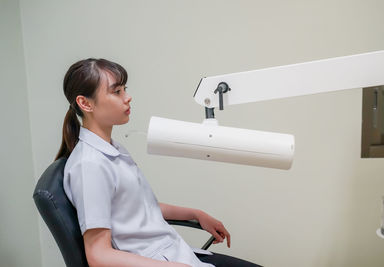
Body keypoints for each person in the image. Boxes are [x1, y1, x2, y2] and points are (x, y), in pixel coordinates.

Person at [55, 58, 262, 267]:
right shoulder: (89, 166)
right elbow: (98, 256)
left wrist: (195, 214)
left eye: (124, 89)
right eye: (117, 92)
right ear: (85, 103)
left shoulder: (112, 148)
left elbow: (139, 208)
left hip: (174, 252)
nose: (127, 97)